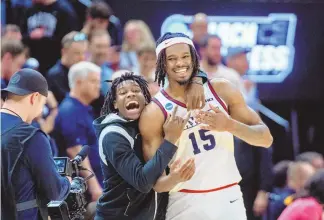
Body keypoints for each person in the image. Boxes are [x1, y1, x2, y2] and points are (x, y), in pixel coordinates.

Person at [139, 32, 273, 220]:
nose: (180, 63)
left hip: (229, 197)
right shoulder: (154, 112)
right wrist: (174, 178)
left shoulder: (221, 89)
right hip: (185, 201)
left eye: (185, 56)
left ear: (194, 58)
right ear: (162, 63)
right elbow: (154, 182)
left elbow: (266, 138)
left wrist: (229, 125)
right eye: (172, 58)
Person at [93, 73, 195, 219]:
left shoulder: (151, 123)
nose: (130, 95)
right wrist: (170, 139)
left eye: (136, 91)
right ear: (115, 103)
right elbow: (142, 182)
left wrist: (197, 80)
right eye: (123, 93)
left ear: (146, 98)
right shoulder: (113, 135)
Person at [1, 68, 71, 220]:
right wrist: (68, 182)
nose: (40, 111)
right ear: (34, 97)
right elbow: (54, 191)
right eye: (43, 104)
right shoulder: (31, 136)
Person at [53, 61, 103, 219]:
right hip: (83, 192)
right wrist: (95, 188)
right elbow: (75, 151)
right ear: (79, 83)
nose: (98, 86)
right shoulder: (70, 110)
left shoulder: (83, 109)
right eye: (94, 81)